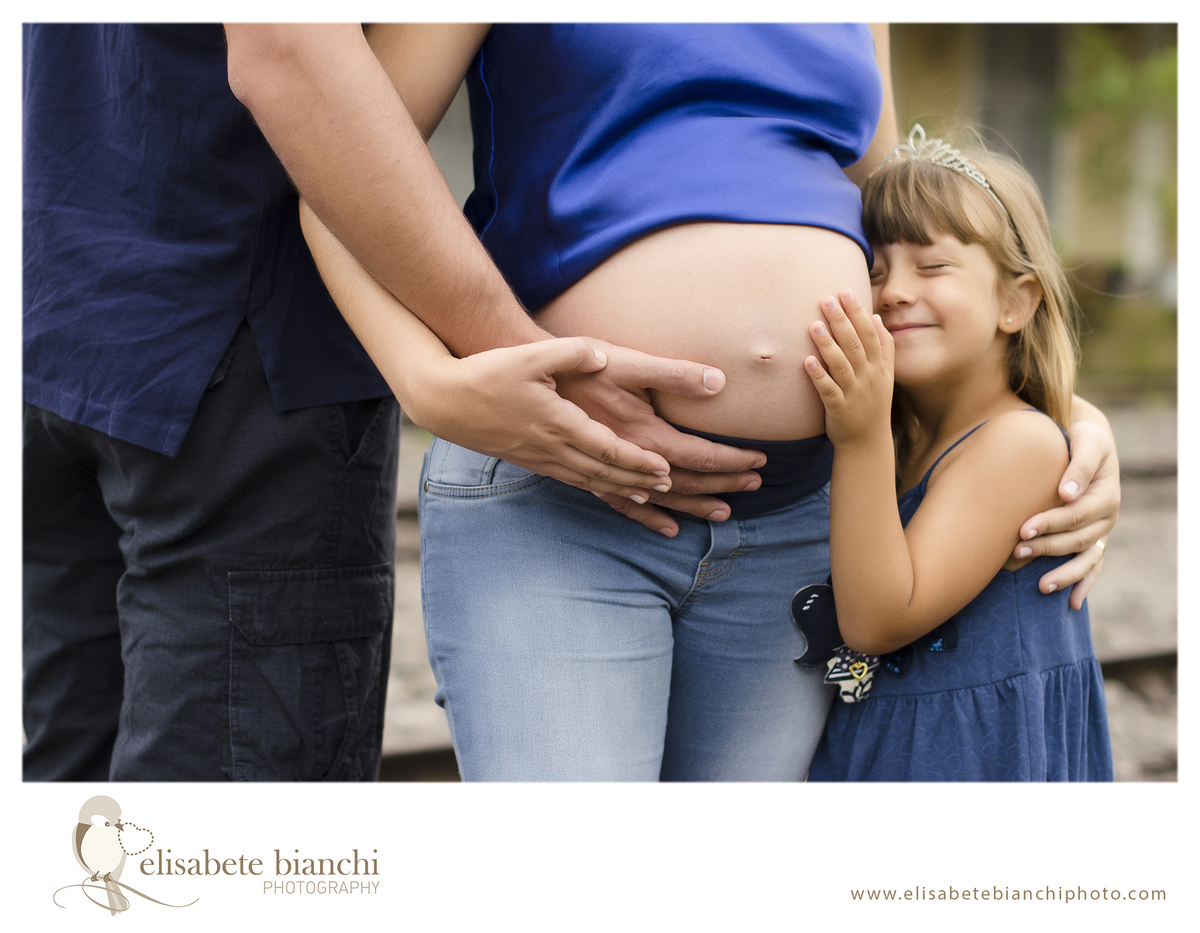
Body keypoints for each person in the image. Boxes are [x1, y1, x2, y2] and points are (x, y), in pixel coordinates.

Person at [304, 24, 1120, 781]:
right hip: (562, 505)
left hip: (798, 521)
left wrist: (1052, 409)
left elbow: (885, 206)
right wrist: (426, 381)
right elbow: (334, 167)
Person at [22, 23, 749, 782]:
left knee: (86, 844)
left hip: (70, 316)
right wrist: (520, 357)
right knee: (234, 861)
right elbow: (284, 45)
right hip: (234, 349)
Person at [804, 127, 1113, 780]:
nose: (891, 291)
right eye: (875, 269)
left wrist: (858, 437)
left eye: (931, 264)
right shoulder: (916, 437)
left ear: (1015, 301)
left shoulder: (1018, 443)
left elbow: (878, 620)